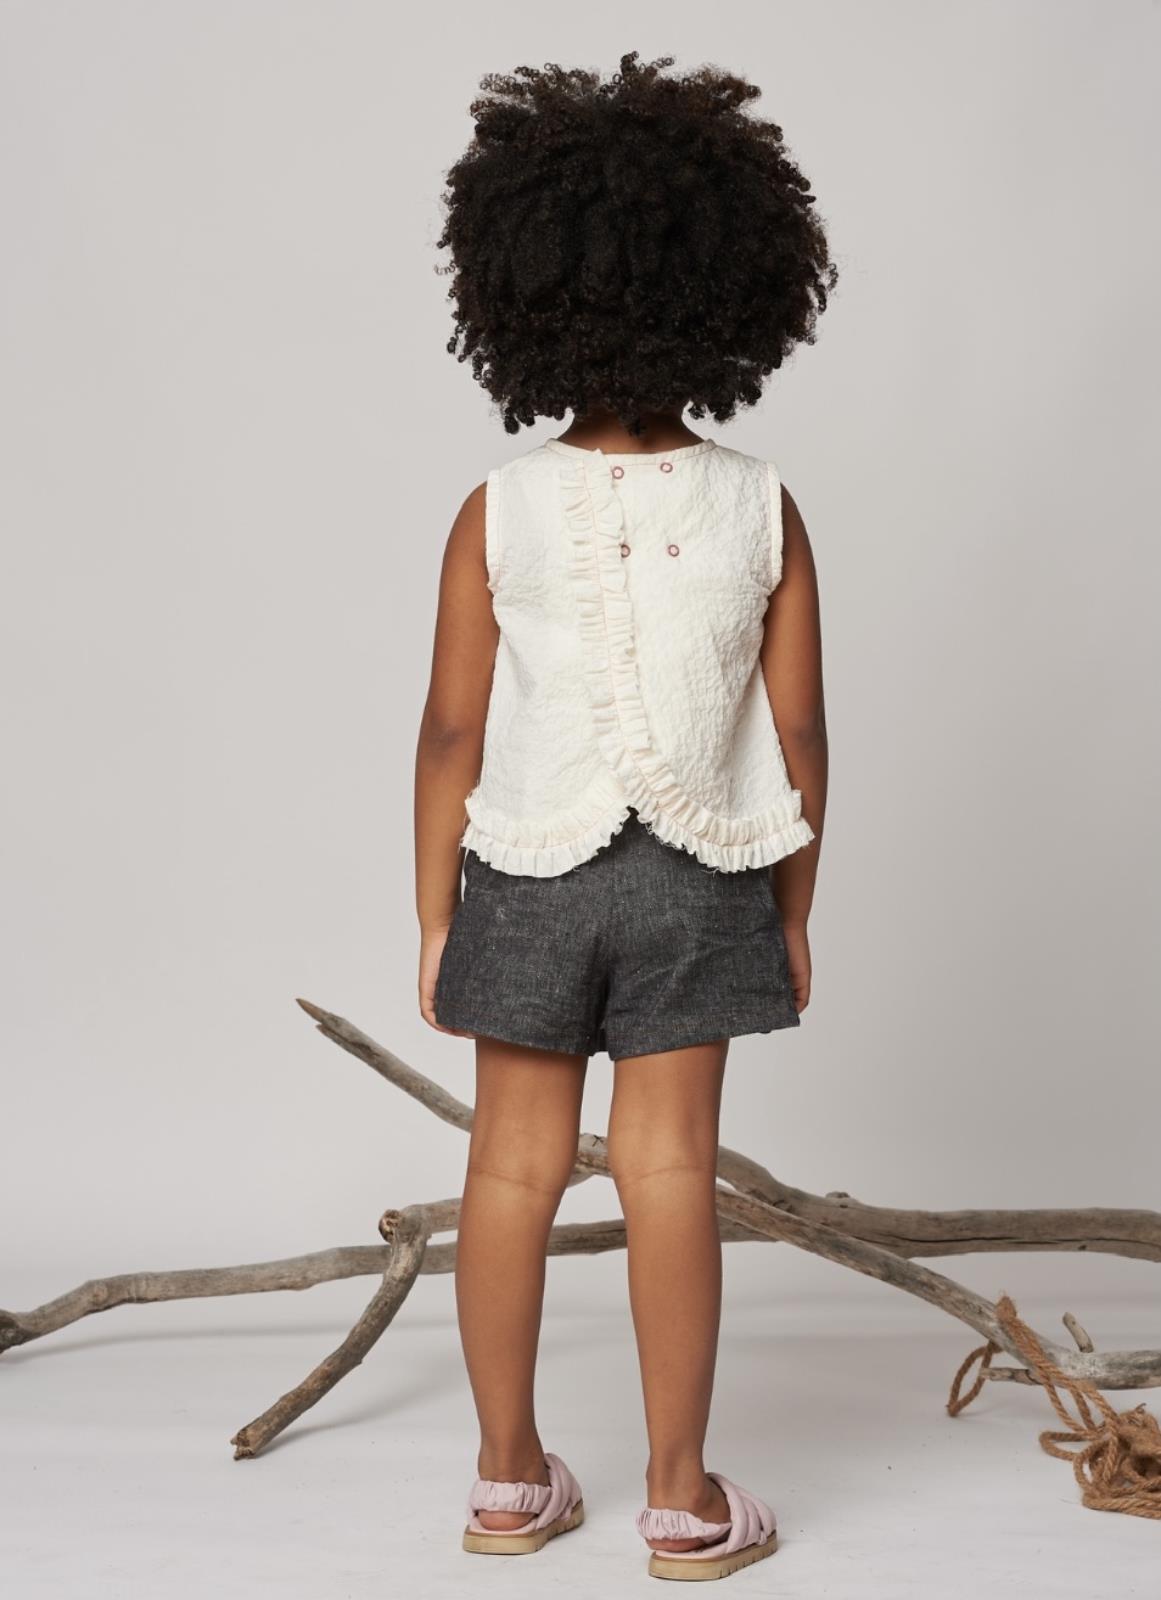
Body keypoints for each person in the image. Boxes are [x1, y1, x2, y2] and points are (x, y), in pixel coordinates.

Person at [414, 51, 834, 1581]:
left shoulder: (497, 506)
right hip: (700, 873)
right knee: (667, 1170)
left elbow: (451, 728)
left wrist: (435, 913)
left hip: (525, 864)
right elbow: (799, 735)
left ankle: (505, 1483)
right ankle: (679, 1500)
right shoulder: (762, 503)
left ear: (521, 292)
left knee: (508, 1167)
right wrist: (791, 909)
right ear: (734, 293)